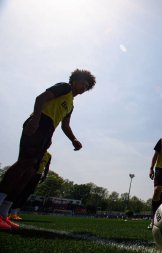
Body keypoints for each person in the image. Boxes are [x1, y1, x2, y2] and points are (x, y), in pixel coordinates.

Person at [0, 69, 96, 230]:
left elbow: (65, 125)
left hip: (47, 130)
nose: (83, 88)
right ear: (73, 81)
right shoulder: (64, 87)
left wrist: (74, 139)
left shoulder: (71, 105)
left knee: (29, 172)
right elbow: (41, 98)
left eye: (86, 87)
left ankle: (4, 213)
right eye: (82, 83)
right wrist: (35, 119)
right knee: (24, 164)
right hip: (40, 122)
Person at [9, 149, 52, 221]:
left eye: (49, 143)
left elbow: (47, 166)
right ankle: (9, 210)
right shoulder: (37, 151)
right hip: (29, 172)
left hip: (38, 175)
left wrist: (45, 175)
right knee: (20, 191)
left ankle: (15, 212)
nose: (48, 144)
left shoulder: (49, 155)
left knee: (28, 193)